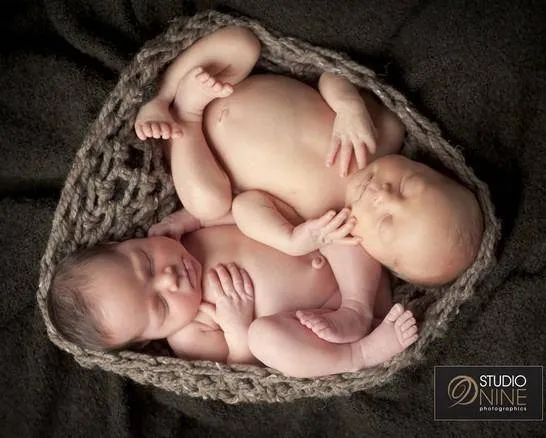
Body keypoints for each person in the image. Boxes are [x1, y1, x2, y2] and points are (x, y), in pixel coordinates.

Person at [134, 25, 483, 342]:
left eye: (387, 222)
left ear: (378, 255)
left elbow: (244, 207)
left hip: (190, 145)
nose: (383, 197)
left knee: (207, 203)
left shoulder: (320, 218)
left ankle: (185, 112)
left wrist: (291, 240)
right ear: (422, 165)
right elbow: (331, 76)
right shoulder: (383, 134)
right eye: (407, 187)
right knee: (241, 42)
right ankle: (161, 97)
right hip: (226, 84)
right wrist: (349, 109)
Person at [47, 226, 418, 378]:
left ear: (125, 241)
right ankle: (361, 355)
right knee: (264, 338)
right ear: (146, 340)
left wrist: (188, 215)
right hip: (329, 322)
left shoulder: (188, 232)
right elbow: (240, 367)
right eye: (160, 306)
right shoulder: (189, 334)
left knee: (328, 218)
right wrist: (238, 328)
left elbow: (240, 210)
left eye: (146, 262)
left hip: (354, 263)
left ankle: (360, 307)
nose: (168, 279)